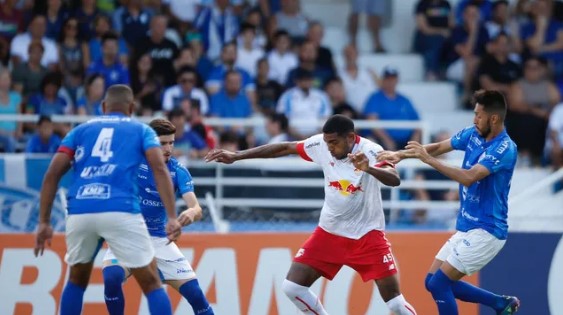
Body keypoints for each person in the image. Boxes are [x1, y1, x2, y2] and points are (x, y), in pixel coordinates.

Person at [205, 114, 417, 315]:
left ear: (351, 138)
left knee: (396, 303)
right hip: (330, 232)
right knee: (292, 287)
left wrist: (369, 168)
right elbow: (285, 148)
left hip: (367, 235)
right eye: (327, 143)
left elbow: (394, 179)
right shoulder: (322, 145)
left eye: (334, 142)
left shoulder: (371, 151)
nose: (330, 148)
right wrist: (237, 156)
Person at [34, 85, 181, 315]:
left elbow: (52, 174)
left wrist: (44, 222)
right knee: (152, 283)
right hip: (120, 209)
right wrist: (172, 216)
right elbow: (160, 170)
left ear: (103, 107)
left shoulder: (79, 131)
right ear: (131, 108)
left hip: (81, 209)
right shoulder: (141, 131)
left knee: (76, 281)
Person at [377, 90, 520, 314]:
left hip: (488, 230)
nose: (474, 120)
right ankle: (500, 303)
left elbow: (469, 177)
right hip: (467, 226)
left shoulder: (505, 148)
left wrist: (428, 160)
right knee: (431, 280)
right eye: (474, 114)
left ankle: (500, 304)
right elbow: (438, 147)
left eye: (478, 115)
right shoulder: (473, 133)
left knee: (439, 284)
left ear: (493, 118)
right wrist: (399, 155)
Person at [102, 118, 213, 315]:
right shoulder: (131, 161)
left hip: (160, 240)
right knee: (111, 278)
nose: (168, 148)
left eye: (171, 142)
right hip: (129, 236)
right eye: (162, 143)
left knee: (197, 297)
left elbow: (196, 207)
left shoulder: (179, 171)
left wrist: (191, 212)